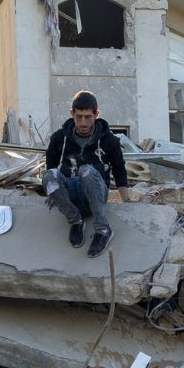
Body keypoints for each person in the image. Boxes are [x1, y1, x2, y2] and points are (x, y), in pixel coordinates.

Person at [43, 90, 129, 258]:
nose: (83, 122)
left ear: (96, 114)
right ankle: (75, 220)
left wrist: (126, 200)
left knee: (86, 171)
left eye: (88, 117)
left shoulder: (109, 140)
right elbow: (51, 166)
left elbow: (120, 170)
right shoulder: (59, 138)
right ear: (72, 114)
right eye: (79, 116)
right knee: (49, 176)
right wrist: (53, 194)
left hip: (96, 192)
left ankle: (103, 229)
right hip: (71, 195)